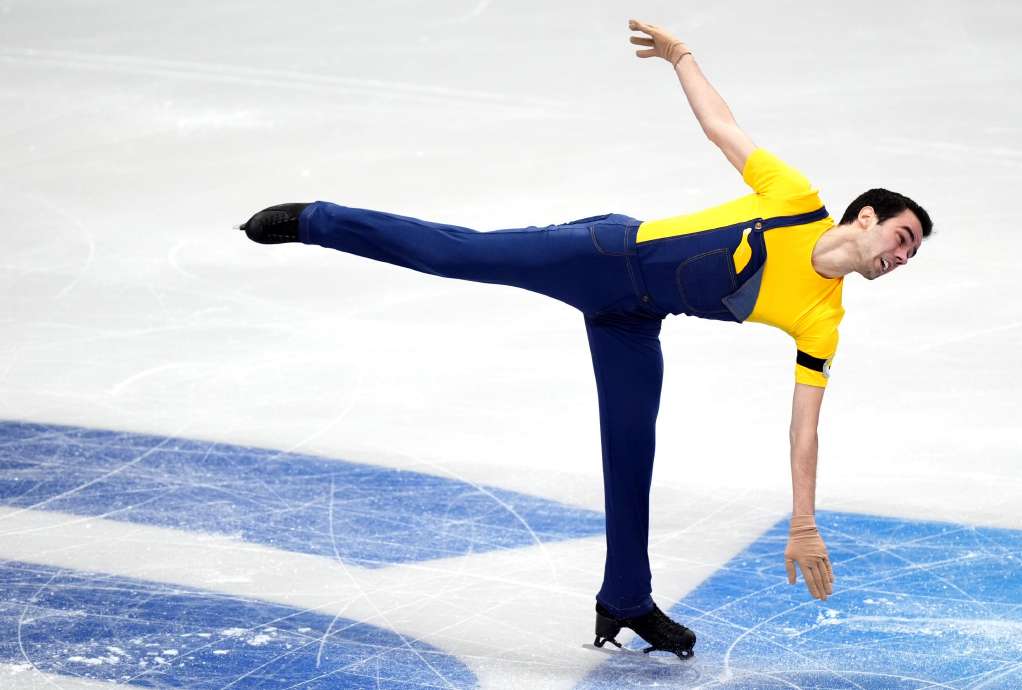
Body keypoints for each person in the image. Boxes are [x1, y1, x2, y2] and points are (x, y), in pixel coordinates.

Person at [238, 18, 932, 660]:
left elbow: (803, 429)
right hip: (602, 255)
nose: (899, 257)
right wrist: (681, 56)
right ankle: (319, 220)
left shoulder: (825, 317)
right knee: (462, 253)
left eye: (910, 257)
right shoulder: (795, 200)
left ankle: (625, 598)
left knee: (632, 454)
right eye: (901, 238)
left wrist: (803, 519)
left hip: (634, 322)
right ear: (866, 217)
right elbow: (722, 128)